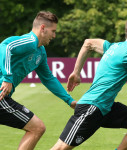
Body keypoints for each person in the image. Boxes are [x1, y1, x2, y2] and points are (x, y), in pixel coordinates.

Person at [50, 15, 127, 150]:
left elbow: (88, 43)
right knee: (60, 148)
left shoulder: (115, 47)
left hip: (105, 108)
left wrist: (76, 72)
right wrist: (76, 72)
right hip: (92, 107)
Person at [0, 11, 76, 150]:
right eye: (53, 31)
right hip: (1, 96)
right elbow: (5, 47)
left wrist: (69, 100)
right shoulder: (30, 41)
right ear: (42, 28)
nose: (54, 35)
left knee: (37, 128)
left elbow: (48, 78)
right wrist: (7, 77)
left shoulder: (40, 52)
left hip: (4, 96)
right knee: (37, 128)